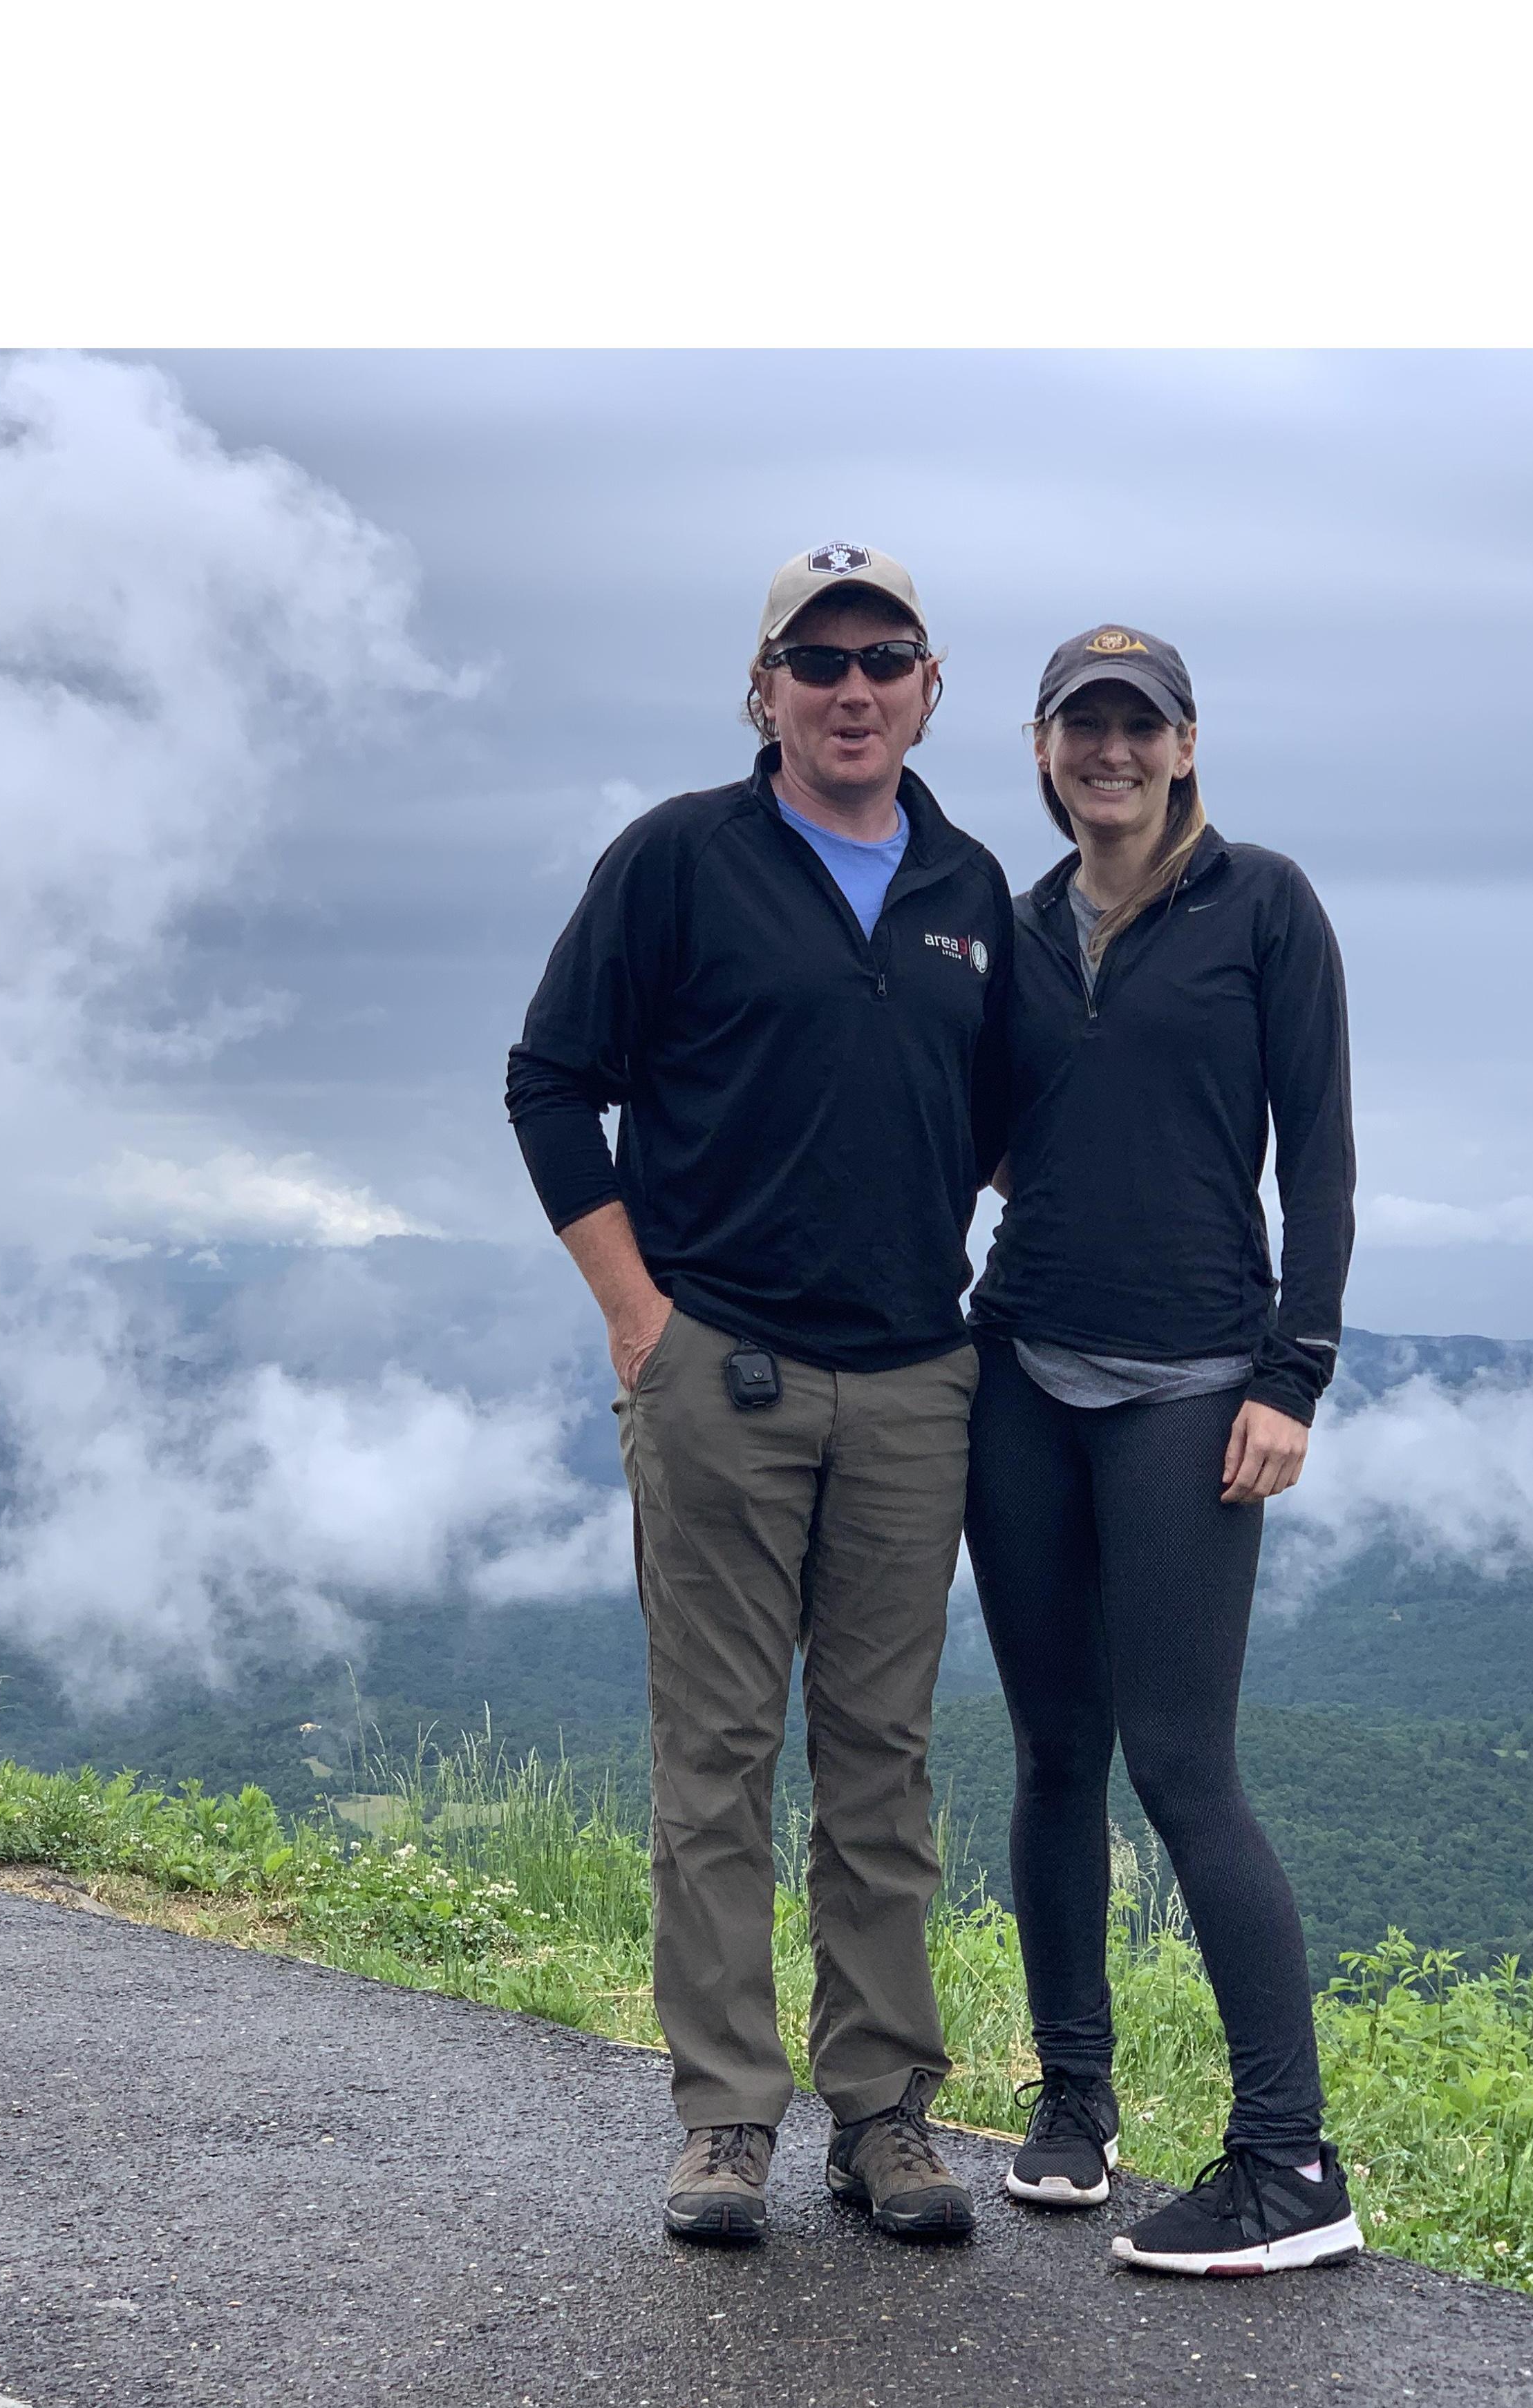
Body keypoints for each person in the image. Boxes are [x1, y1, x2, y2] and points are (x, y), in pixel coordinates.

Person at [505, 542, 1013, 2246]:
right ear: (766, 689)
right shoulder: (679, 860)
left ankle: (884, 2116)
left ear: (932, 688)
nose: (853, 688)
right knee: (716, 1756)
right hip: (718, 1368)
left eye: (886, 659)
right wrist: (634, 1316)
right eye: (819, 661)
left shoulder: (967, 886)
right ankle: (726, 2119)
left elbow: (1002, 1121)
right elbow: (551, 1081)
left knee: (883, 1760)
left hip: (914, 1383)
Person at [963, 623, 1362, 2277]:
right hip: (1020, 1373)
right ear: (1044, 748)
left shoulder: (1264, 904)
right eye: (1082, 726)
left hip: (1200, 1384)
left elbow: (1324, 1160)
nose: (1109, 752)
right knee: (1056, 1753)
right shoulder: (1011, 925)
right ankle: (1073, 2105)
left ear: (1185, 745)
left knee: (1184, 1767)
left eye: (1139, 726)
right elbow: (966, 1133)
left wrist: (1297, 1374)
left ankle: (1291, 2168)